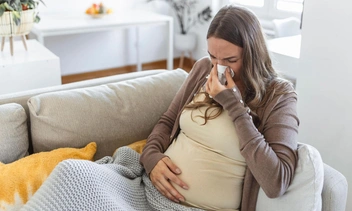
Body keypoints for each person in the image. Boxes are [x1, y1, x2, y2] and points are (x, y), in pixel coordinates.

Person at [140, 4, 299, 211]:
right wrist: (151, 158)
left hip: (198, 207)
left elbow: (276, 182)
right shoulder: (203, 68)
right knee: (84, 177)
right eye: (213, 57)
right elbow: (168, 121)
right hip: (150, 191)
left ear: (253, 55)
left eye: (230, 60)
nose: (218, 68)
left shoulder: (279, 95)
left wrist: (234, 106)